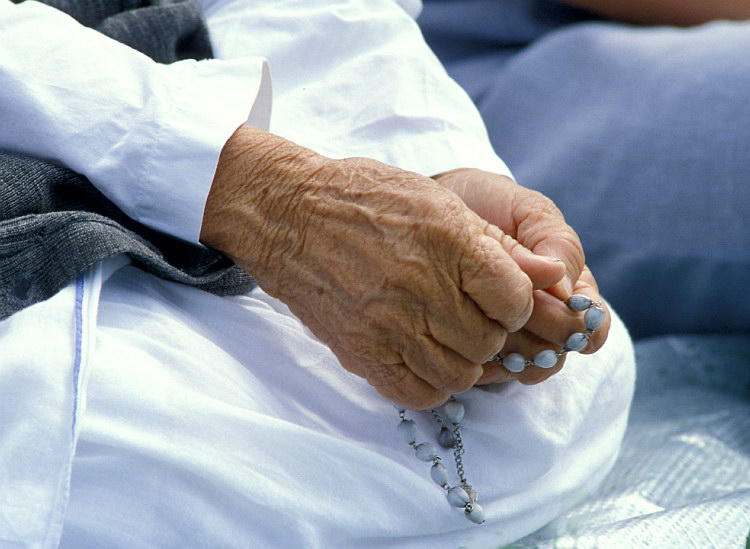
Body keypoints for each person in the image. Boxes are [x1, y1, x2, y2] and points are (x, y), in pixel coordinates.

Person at [0, 1, 634, 547]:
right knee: (131, 452)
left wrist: (427, 170)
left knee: (564, 399)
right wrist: (263, 195)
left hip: (177, 80)